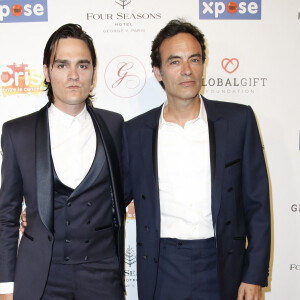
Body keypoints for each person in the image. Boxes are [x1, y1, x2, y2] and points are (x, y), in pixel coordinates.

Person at [123, 19, 271, 300]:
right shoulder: (134, 133)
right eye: (174, 61)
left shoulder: (238, 121)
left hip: (222, 262)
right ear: (158, 71)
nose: (187, 70)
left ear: (203, 64)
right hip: (161, 265)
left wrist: (253, 275)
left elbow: (258, 204)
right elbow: (111, 200)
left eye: (194, 59)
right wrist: (43, 214)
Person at [0, 24, 125, 300]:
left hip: (102, 275)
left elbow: (126, 188)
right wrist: (6, 287)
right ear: (46, 71)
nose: (73, 76)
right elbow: (6, 217)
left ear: (93, 72)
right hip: (42, 277)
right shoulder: (16, 132)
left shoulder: (114, 125)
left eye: (83, 65)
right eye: (62, 65)